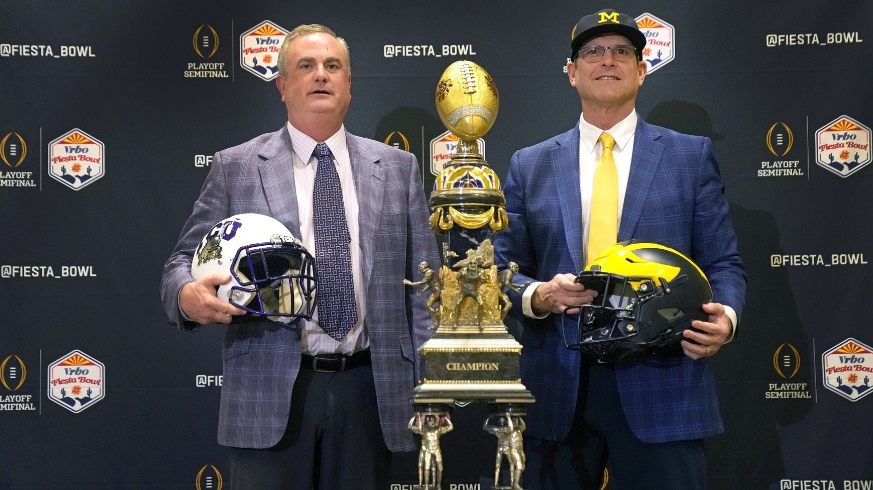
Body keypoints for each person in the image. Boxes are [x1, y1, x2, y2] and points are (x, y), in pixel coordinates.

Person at [159, 24, 439, 489]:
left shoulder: (397, 168)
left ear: (349, 84)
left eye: (333, 66)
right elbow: (180, 263)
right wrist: (187, 296)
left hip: (370, 392)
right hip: (270, 392)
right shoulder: (238, 165)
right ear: (283, 86)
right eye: (306, 66)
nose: (321, 75)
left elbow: (425, 287)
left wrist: (430, 385)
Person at [492, 8, 747, 489]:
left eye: (622, 51)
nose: (607, 60)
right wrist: (539, 295)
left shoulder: (689, 156)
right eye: (593, 51)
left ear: (641, 70)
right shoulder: (530, 164)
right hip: (559, 388)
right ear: (572, 72)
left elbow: (724, 262)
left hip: (664, 378)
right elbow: (502, 267)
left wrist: (726, 318)